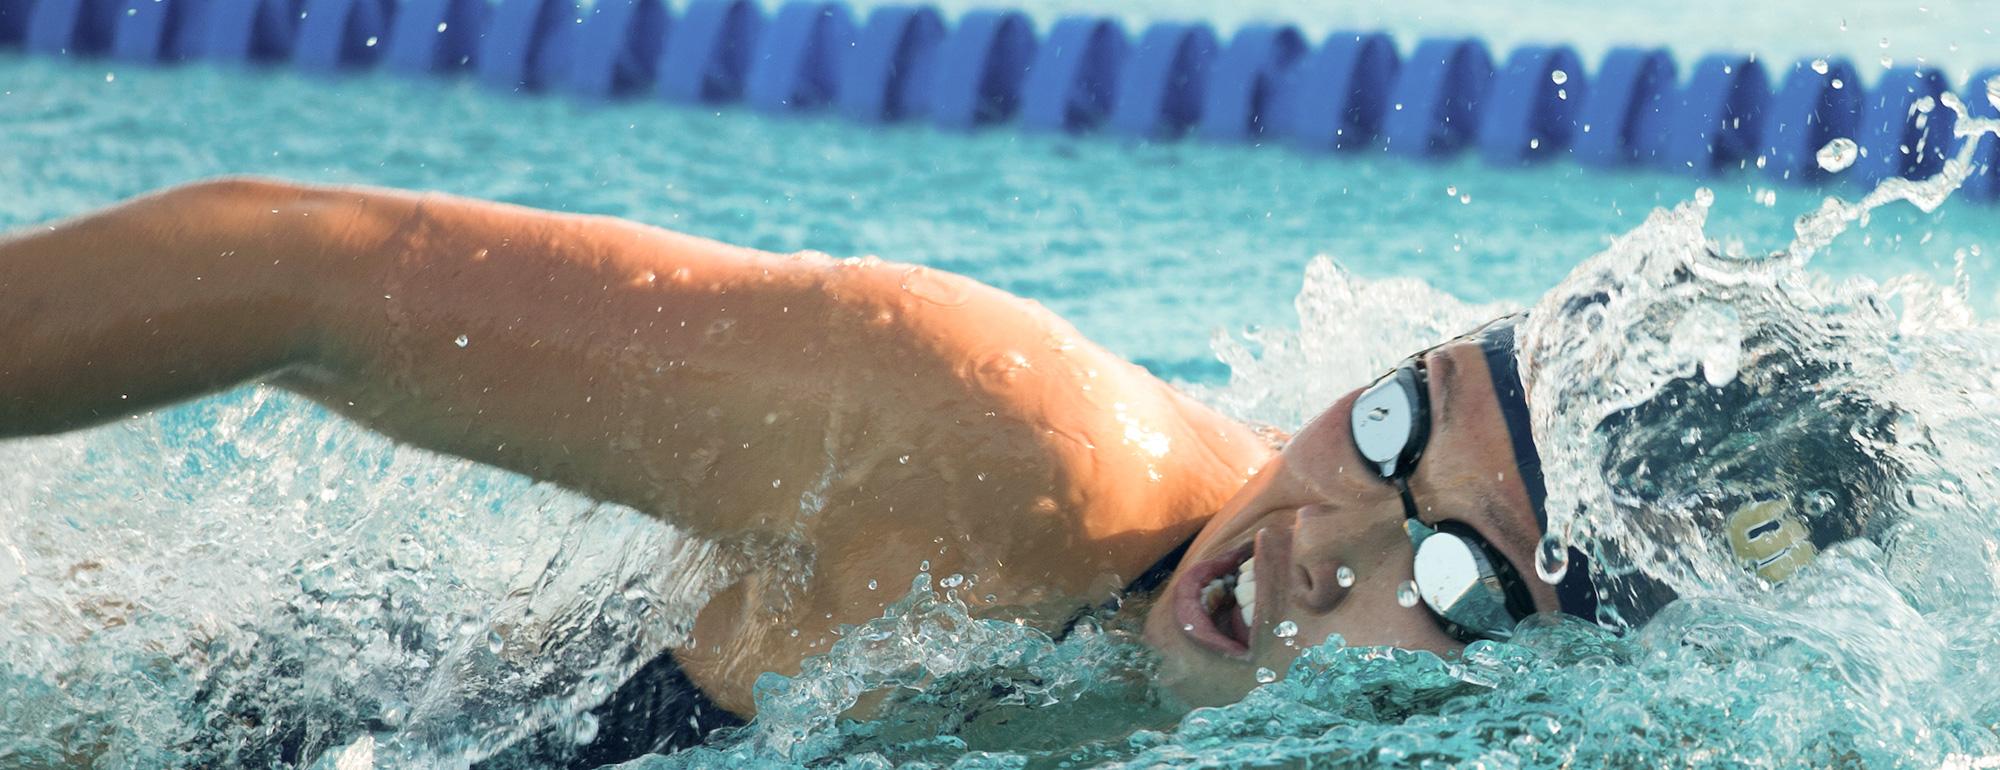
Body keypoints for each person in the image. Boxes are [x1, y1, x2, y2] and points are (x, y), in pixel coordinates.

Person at [0, 178, 1894, 767]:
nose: (1320, 539)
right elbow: (311, 277)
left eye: (1463, 581)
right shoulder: (1002, 452)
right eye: (1392, 425)